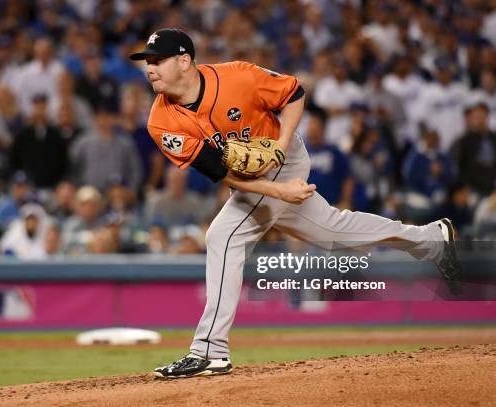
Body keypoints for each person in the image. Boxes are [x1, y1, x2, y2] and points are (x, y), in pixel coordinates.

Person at [129, 28, 461, 379]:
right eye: (146, 62)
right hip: (256, 181)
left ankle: (209, 350)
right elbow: (220, 172)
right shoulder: (160, 121)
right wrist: (279, 193)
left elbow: (294, 93)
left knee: (223, 237)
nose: (149, 68)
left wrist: (281, 148)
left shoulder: (238, 76)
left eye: (157, 60)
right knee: (335, 230)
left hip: (285, 158)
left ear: (184, 61)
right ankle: (432, 239)